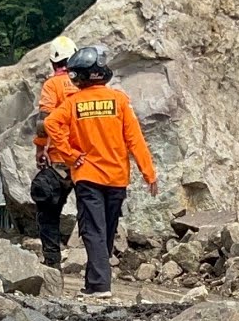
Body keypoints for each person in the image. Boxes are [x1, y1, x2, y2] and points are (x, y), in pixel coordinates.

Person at [44, 45, 158, 298]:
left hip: (88, 176)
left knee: (93, 230)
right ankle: (94, 282)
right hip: (117, 178)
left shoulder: (73, 103)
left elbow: (51, 123)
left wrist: (70, 155)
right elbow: (135, 140)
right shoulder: (119, 101)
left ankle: (100, 285)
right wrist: (148, 172)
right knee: (106, 229)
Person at [30, 35, 78, 268]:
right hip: (85, 162)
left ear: (52, 62)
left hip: (59, 161)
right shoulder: (84, 84)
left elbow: (44, 121)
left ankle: (52, 262)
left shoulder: (52, 85)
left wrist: (40, 149)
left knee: (48, 212)